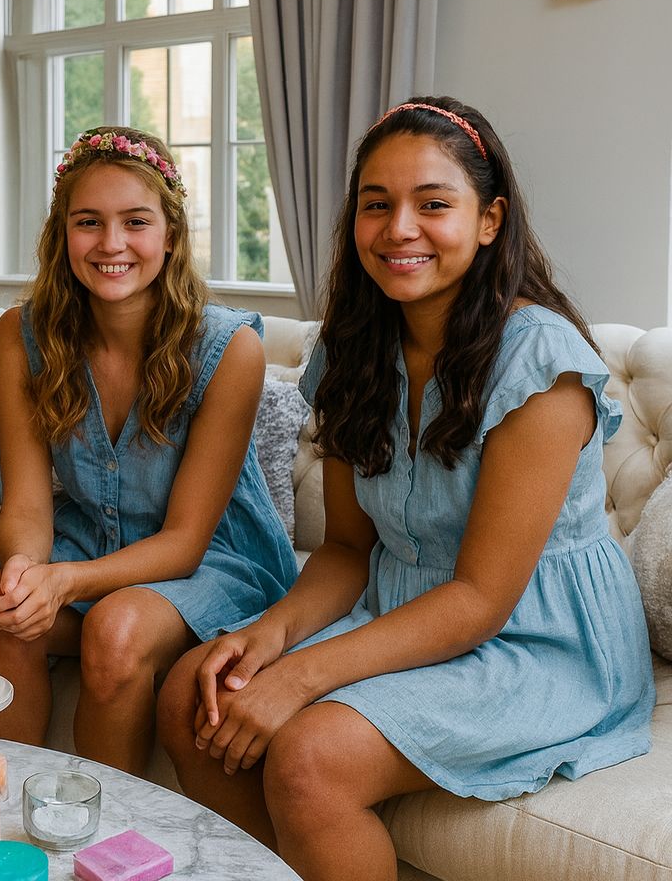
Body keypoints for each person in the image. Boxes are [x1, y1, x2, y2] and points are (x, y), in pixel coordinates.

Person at [157, 98, 656, 881]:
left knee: (310, 756)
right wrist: (273, 635)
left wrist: (300, 677)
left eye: (433, 204)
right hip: (398, 604)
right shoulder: (354, 348)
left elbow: (481, 600)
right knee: (198, 692)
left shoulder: (540, 364)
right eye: (376, 205)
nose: (399, 229)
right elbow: (350, 547)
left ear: (489, 220)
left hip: (537, 640)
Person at [0, 127, 298, 775]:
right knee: (2, 608)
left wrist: (61, 581)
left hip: (213, 561)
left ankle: (105, 850)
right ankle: (2, 828)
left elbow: (183, 543)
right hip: (89, 538)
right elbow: (29, 508)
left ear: (169, 234)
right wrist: (26, 575)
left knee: (115, 630)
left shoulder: (230, 349)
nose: (111, 244)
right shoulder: (20, 335)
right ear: (62, 234)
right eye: (88, 222)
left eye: (135, 221)